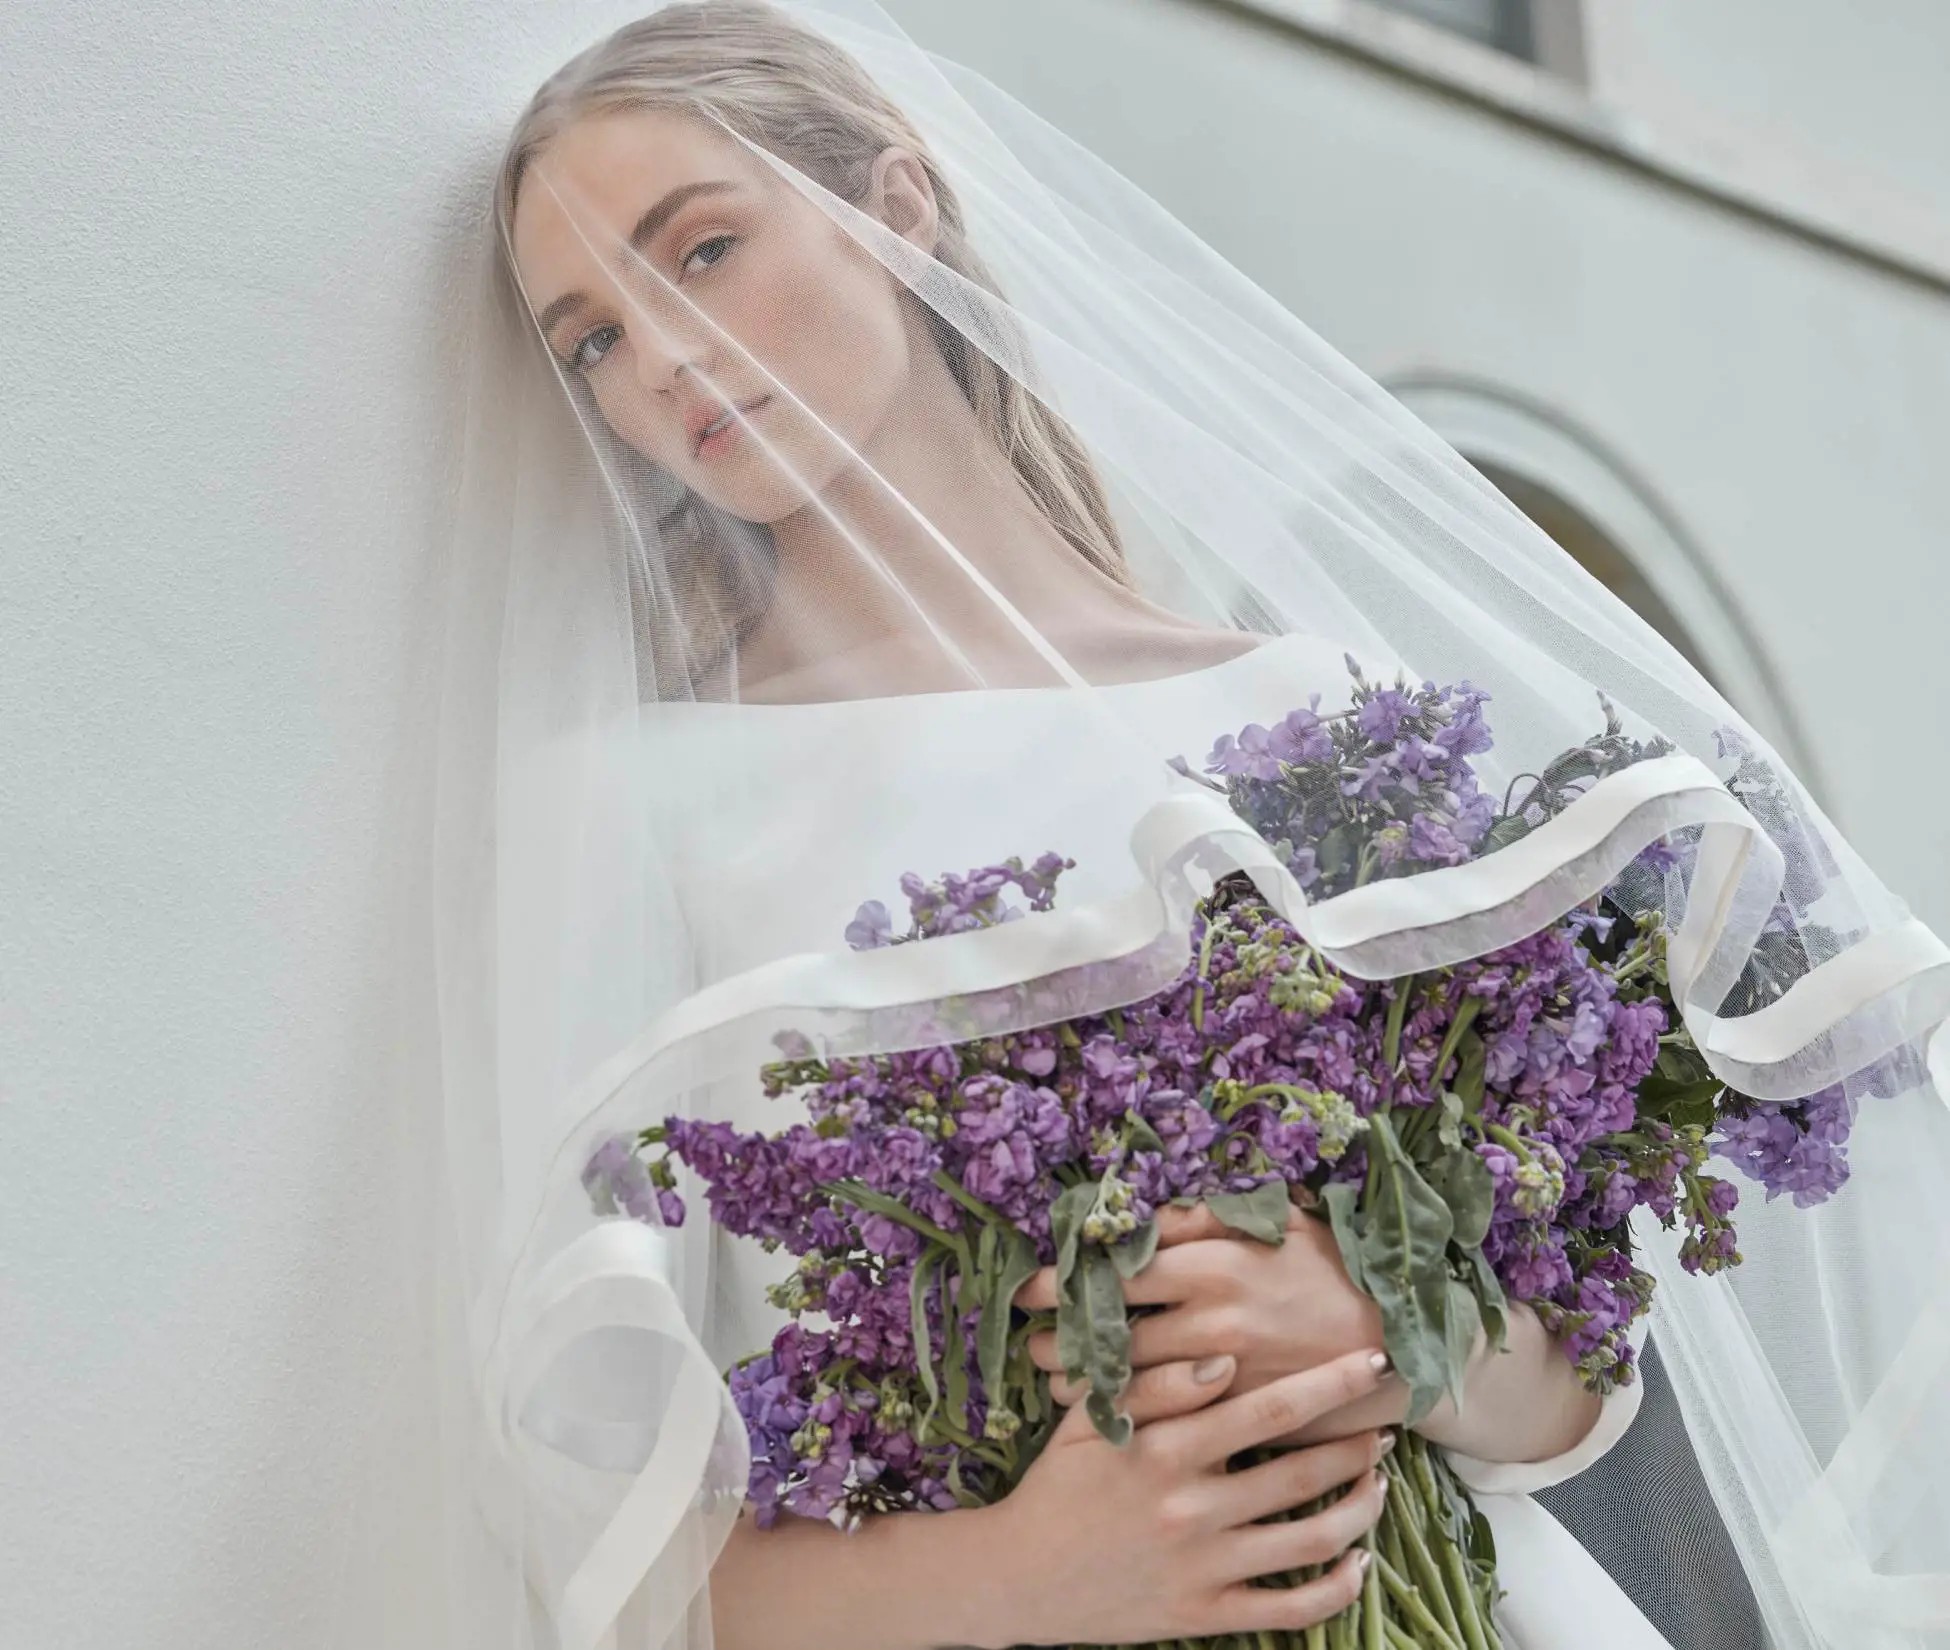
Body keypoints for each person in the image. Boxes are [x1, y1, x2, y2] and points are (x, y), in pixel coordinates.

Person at [419, 4, 1950, 1648]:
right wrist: (1017, 1575)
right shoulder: (636, 798)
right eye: (587, 337)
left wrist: (1382, 1314)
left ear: (897, 206)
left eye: (701, 251)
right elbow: (576, 1519)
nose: (658, 356)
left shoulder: (1315, 721)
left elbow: (1578, 1399)